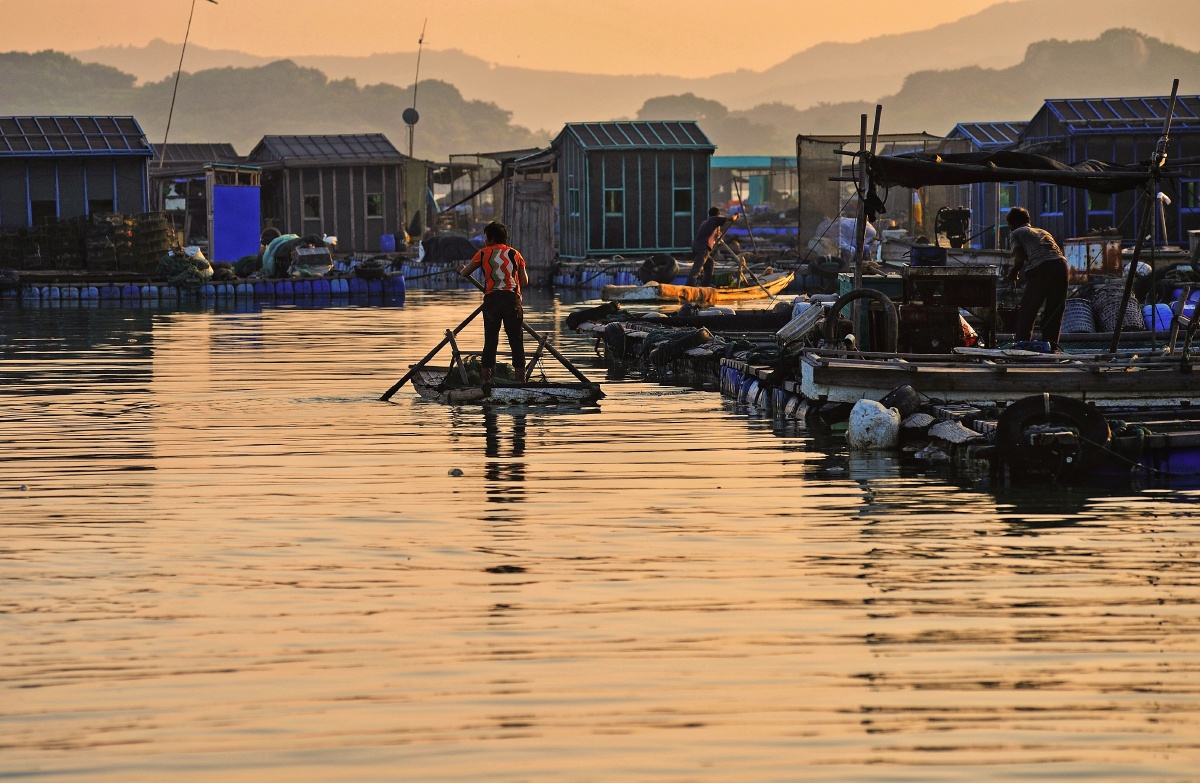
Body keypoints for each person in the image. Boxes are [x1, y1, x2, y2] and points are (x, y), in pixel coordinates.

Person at [459, 221, 529, 385]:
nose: (484, 240)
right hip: (513, 300)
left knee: (491, 340)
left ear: (491, 239)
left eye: (485, 237)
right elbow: (524, 281)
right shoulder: (515, 254)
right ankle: (521, 381)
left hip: (492, 301)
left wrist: (460, 269)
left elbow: (465, 272)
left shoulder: (483, 254)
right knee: (516, 341)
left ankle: (486, 381)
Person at [1006, 206, 1068, 348]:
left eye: (1009, 225)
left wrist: (1013, 272)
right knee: (1054, 311)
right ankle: (1051, 347)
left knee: (1028, 309)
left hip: (1042, 268)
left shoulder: (1016, 233)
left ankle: (1022, 346)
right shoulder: (1043, 231)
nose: (1009, 229)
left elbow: (1019, 260)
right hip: (1062, 266)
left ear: (1013, 222)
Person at [688, 207, 738, 286]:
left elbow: (708, 234)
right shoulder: (714, 219)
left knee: (710, 264)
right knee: (697, 268)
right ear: (718, 215)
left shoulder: (706, 222)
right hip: (703, 247)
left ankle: (705, 285)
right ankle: (689, 286)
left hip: (697, 246)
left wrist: (716, 234)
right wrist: (736, 216)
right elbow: (731, 219)